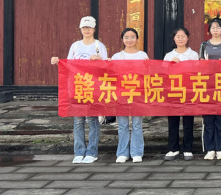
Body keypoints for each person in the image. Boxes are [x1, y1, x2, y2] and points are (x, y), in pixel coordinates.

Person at [51, 15, 107, 164]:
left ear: (94, 29)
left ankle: (92, 152)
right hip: (77, 87)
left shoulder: (99, 46)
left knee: (92, 120)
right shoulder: (75, 46)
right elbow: (68, 64)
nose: (86, 30)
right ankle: (79, 152)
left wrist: (98, 60)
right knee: (78, 120)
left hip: (93, 88)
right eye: (84, 28)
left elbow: (106, 67)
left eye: (89, 27)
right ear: (80, 29)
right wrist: (58, 61)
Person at [199, 17, 221, 160]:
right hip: (207, 85)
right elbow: (201, 64)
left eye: (218, 27)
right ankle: (210, 149)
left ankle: (220, 148)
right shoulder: (204, 45)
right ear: (209, 30)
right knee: (208, 118)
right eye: (212, 28)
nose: (215, 30)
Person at [111, 27, 149, 163]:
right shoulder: (117, 56)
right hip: (121, 94)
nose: (129, 40)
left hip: (137, 93)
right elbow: (111, 74)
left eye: (132, 37)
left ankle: (137, 152)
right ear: (122, 40)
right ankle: (122, 152)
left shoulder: (142, 55)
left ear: (137, 39)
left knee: (137, 124)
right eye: (126, 37)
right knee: (122, 124)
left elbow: (147, 74)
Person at [163, 27, 198, 161]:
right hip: (173, 92)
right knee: (173, 121)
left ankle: (188, 149)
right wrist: (171, 65)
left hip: (189, 91)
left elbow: (197, 71)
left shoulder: (193, 54)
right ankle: (173, 148)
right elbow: (163, 73)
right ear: (174, 39)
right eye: (178, 36)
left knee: (188, 121)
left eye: (183, 36)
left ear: (188, 38)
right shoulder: (169, 55)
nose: (181, 39)